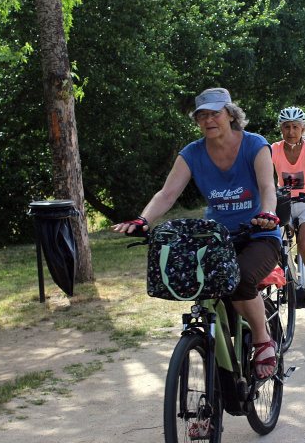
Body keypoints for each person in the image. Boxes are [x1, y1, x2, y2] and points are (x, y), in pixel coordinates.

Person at [112, 87, 281, 379]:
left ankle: (262, 339)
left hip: (259, 234)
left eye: (214, 113)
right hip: (215, 237)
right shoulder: (192, 153)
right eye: (202, 116)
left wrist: (267, 213)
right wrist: (143, 220)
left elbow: (268, 186)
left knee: (238, 280)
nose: (208, 120)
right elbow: (167, 194)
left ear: (230, 114)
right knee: (200, 285)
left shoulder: (256, 145)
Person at [271, 107, 305, 307]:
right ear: (281, 129)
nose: (291, 131)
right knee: (271, 244)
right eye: (287, 127)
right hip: (283, 204)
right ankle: (284, 282)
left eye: (295, 127)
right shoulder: (274, 149)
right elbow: (263, 172)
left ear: (303, 129)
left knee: (304, 243)